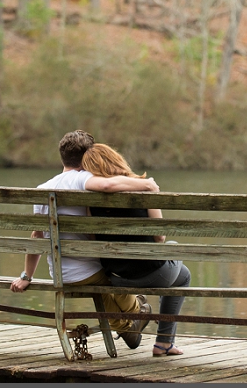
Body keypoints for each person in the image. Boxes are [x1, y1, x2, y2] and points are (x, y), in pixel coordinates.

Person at [10, 130, 156, 349]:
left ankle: (129, 327)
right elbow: (108, 186)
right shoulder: (82, 179)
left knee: (104, 284)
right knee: (114, 276)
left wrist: (26, 276)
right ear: (88, 156)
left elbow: (36, 237)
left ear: (62, 156)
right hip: (93, 273)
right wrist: (147, 185)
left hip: (61, 275)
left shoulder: (42, 189)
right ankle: (137, 311)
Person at [82, 143, 191, 357]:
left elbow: (93, 239)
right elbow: (160, 237)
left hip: (117, 277)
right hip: (154, 274)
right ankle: (163, 342)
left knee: (184, 275)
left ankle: (164, 345)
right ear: (116, 159)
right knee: (174, 248)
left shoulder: (88, 199)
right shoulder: (143, 187)